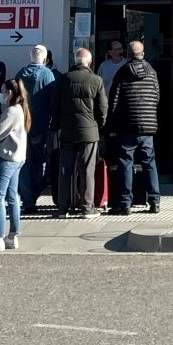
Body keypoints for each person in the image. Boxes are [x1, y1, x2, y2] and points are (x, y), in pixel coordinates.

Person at [107, 40, 162, 215]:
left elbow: (114, 100)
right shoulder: (152, 72)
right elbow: (157, 96)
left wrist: (113, 123)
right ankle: (154, 201)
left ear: (128, 55)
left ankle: (125, 203)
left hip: (127, 124)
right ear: (143, 54)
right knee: (149, 162)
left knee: (125, 162)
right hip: (147, 125)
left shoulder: (122, 72)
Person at [55, 47, 107, 217]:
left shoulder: (63, 80)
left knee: (65, 170)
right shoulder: (96, 80)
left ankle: (63, 208)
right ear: (89, 62)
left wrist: (57, 125)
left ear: (74, 61)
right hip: (89, 132)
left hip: (68, 131)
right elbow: (102, 108)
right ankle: (87, 208)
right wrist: (98, 125)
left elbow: (54, 106)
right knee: (87, 170)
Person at [0, 79, 30, 253]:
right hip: (19, 158)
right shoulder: (21, 110)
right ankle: (12, 235)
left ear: (10, 93)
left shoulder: (11, 112)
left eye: (3, 91)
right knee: (12, 196)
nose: (1, 95)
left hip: (9, 158)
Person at [14, 45, 56, 211]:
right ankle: (35, 194)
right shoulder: (47, 74)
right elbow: (53, 99)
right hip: (40, 125)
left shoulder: (19, 75)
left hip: (21, 126)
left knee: (24, 164)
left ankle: (27, 199)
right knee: (40, 162)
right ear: (44, 59)